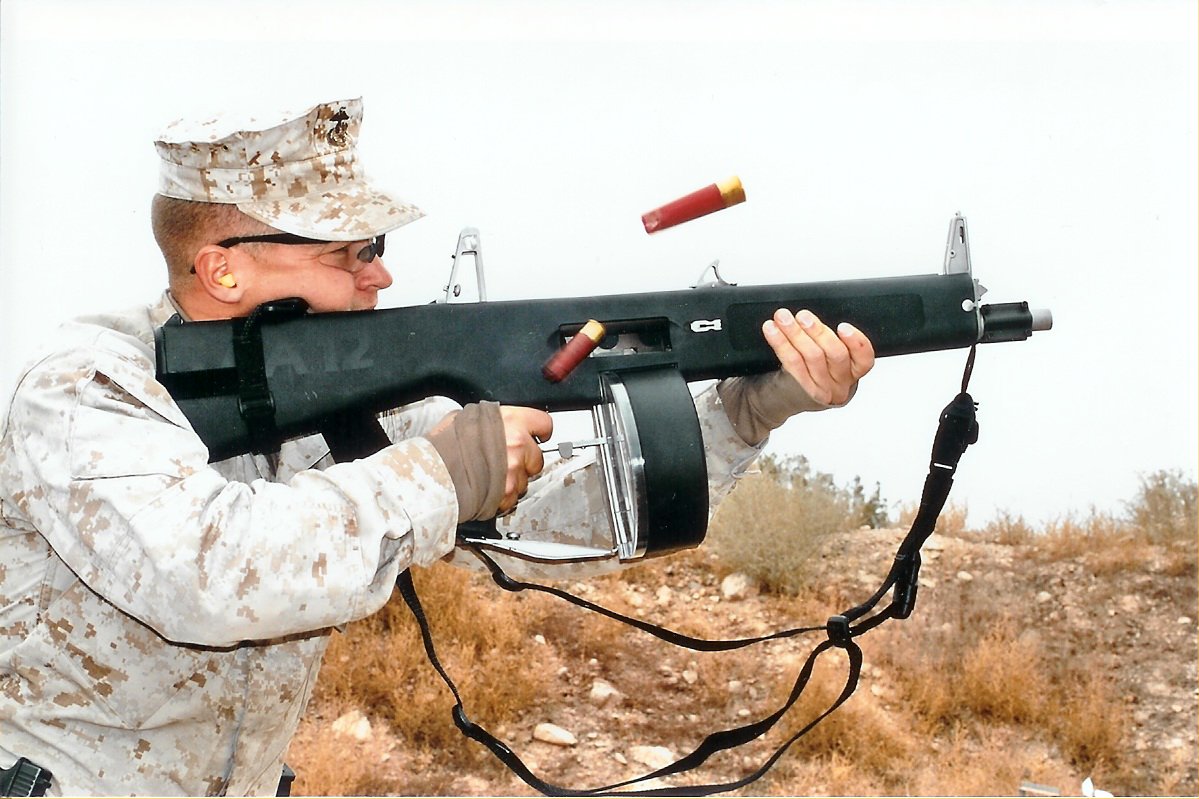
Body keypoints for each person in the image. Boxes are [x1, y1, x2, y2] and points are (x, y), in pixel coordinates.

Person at [0, 98, 874, 796]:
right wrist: (439, 473)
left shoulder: (341, 403)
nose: (380, 274)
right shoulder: (82, 388)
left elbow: (549, 530)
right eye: (352, 252)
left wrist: (744, 412)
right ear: (224, 268)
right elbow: (205, 571)